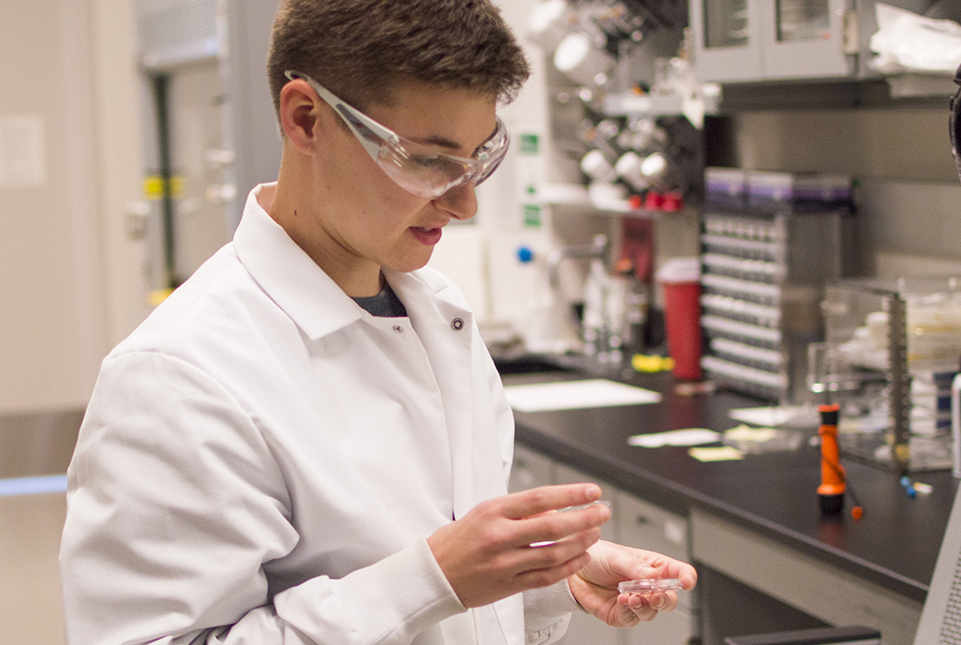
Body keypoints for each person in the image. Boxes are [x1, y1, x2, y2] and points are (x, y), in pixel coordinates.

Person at [59, 1, 696, 644]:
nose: (463, 202)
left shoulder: (437, 313)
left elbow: (437, 607)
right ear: (306, 118)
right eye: (426, 160)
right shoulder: (178, 378)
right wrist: (433, 578)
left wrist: (541, 579)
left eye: (478, 158)